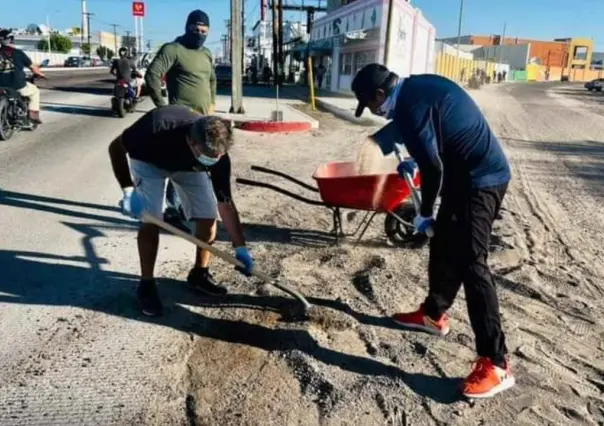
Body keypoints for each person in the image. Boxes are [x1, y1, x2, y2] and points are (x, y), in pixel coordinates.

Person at [351, 63, 514, 399]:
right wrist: (380, 142)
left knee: (472, 263)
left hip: (482, 181)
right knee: (442, 244)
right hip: (462, 176)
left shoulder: (411, 104)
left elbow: (432, 166)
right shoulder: (414, 90)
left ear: (380, 94)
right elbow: (424, 132)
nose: (372, 110)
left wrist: (425, 212)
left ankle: (496, 364)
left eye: (369, 104)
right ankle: (432, 315)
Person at [108, 104, 254, 317]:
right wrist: (128, 191)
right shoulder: (156, 126)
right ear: (190, 141)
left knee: (208, 215)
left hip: (189, 168)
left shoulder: (217, 157)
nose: (212, 160)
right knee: (152, 219)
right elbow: (116, 148)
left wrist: (240, 247)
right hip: (150, 162)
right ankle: (147, 285)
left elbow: (225, 203)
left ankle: (199, 274)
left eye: (216, 157)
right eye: (207, 155)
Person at [145, 9, 216, 115]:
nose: (199, 34)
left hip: (203, 117)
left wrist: (212, 104)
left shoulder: (206, 53)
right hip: (180, 118)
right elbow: (152, 75)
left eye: (203, 31)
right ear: (187, 28)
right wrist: (162, 107)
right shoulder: (173, 49)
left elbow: (212, 80)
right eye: (196, 30)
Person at [0, 29, 45, 124]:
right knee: (35, 91)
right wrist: (40, 74)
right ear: (11, 39)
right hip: (17, 85)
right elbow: (33, 68)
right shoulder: (18, 53)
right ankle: (33, 115)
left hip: (1, 85)